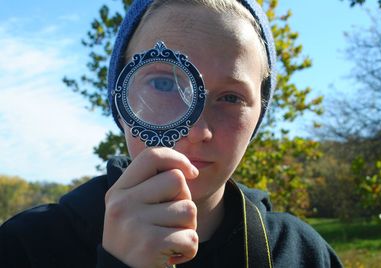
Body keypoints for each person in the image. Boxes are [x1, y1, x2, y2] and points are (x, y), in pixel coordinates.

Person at [0, 0, 343, 267]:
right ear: (121, 97)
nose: (196, 130)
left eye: (230, 97)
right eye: (164, 83)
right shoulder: (25, 247)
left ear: (259, 115)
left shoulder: (305, 255)